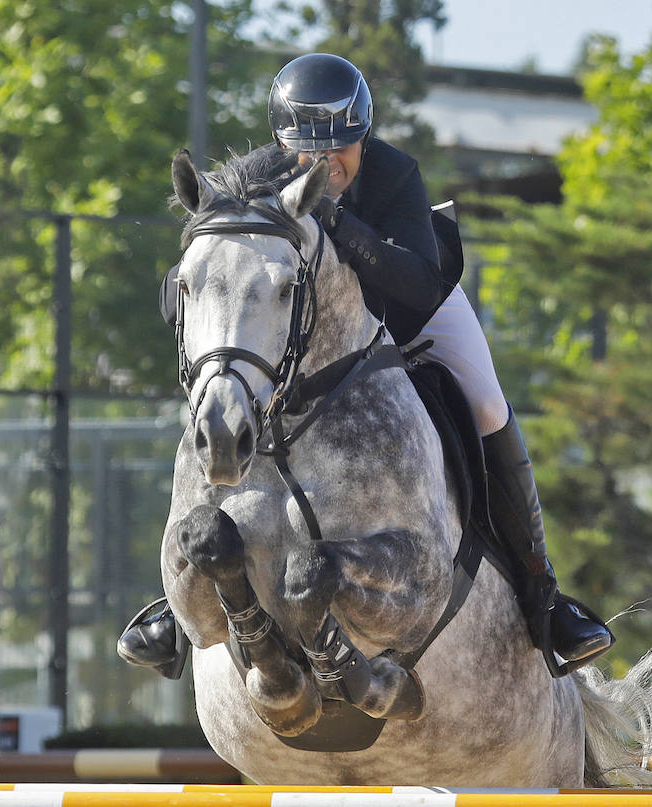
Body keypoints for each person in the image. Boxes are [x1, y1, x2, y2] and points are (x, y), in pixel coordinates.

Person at [119, 53, 613, 681]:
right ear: (280, 142)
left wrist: (338, 222)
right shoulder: (253, 178)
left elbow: (419, 283)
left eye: (342, 148)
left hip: (412, 312)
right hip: (306, 341)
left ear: (363, 137)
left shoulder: (393, 175)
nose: (326, 164)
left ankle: (544, 598)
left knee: (486, 403)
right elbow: (196, 287)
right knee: (222, 405)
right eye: (307, 150)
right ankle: (174, 607)